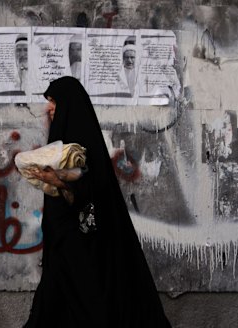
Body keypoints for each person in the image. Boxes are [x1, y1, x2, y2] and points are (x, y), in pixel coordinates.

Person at [23, 76, 171, 327]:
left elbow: (91, 185)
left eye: (54, 102)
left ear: (68, 105)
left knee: (87, 306)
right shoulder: (62, 141)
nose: (49, 108)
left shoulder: (80, 144)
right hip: (62, 243)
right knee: (55, 306)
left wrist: (59, 180)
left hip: (81, 243)